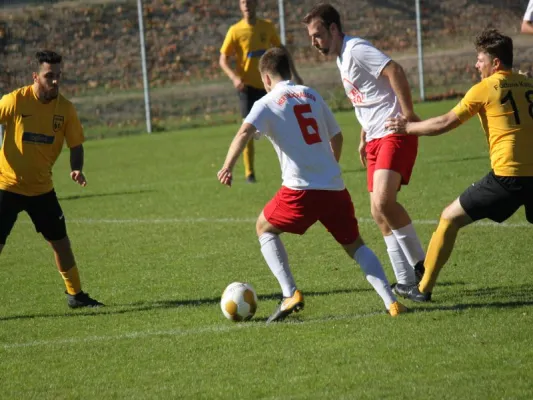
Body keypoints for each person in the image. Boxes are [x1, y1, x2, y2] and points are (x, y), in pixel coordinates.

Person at [217, 47, 407, 323]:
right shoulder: (312, 94)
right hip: (334, 188)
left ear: (266, 79)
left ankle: (289, 293)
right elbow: (338, 136)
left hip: (300, 190)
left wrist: (227, 166)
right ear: (289, 71)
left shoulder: (267, 102)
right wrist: (328, 167)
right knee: (356, 246)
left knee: (263, 228)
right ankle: (392, 303)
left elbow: (245, 130)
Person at [385, 29, 533, 302]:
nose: (477, 65)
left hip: (508, 175)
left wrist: (408, 127)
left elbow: (444, 123)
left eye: (480, 60)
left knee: (448, 219)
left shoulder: (485, 88)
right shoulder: (528, 84)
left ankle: (422, 289)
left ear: (495, 63)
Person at [303, 3, 425, 298]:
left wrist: (407, 115)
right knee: (377, 211)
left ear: (333, 29)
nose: (314, 42)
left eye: (317, 35)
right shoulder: (341, 59)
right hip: (374, 138)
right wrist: (363, 135)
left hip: (393, 132)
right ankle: (405, 280)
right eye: (311, 37)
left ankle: (424, 265)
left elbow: (394, 69)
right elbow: (369, 97)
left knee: (383, 201)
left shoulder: (356, 49)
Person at [0, 50, 103, 309]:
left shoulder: (65, 109)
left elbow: (76, 145)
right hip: (7, 187)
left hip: (42, 190)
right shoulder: (15, 101)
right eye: (49, 76)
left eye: (58, 76)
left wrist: (76, 168)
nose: (55, 81)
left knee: (61, 243)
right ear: (35, 76)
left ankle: (76, 295)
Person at [219, 0, 303, 183]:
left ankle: (296, 162)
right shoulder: (235, 31)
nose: (246, 4)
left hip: (271, 88)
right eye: (242, 2)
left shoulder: (267, 27)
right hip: (247, 88)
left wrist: (295, 73)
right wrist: (234, 78)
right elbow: (223, 59)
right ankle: (250, 173)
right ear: (240, 6)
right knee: (247, 129)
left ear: (256, 3)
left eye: (249, 1)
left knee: (287, 121)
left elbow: (281, 51)